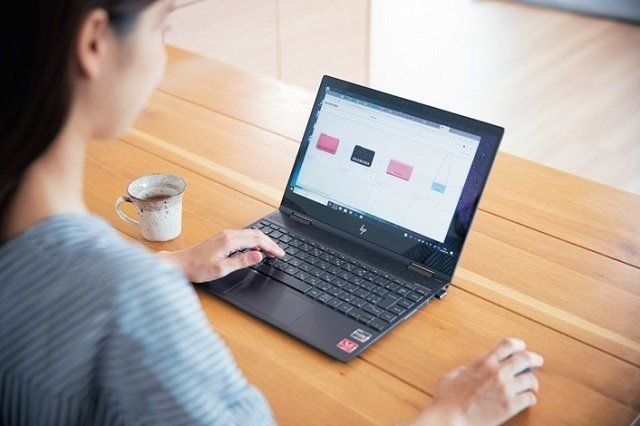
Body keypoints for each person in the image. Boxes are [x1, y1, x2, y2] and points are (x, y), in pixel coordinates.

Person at [0, 1, 543, 424]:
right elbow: (116, 302)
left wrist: (171, 263)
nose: (163, 55)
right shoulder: (136, 304)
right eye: (162, 26)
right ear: (94, 42)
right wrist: (453, 415)